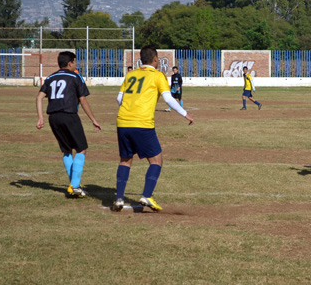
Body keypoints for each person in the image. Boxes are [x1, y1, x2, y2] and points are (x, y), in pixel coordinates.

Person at [113, 45, 194, 212]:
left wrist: (130, 108)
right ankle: (147, 195)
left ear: (141, 59)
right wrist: (184, 113)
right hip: (142, 123)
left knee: (125, 160)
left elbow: (119, 98)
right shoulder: (158, 76)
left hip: (122, 122)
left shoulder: (131, 74)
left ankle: (119, 198)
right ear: (155, 59)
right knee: (156, 160)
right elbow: (168, 98)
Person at [36, 51, 101, 197]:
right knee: (81, 148)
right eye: (75, 62)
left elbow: (39, 97)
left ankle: (74, 184)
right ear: (70, 63)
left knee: (66, 150)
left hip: (53, 117)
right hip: (69, 115)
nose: (75, 65)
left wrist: (41, 118)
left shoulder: (51, 77)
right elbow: (83, 100)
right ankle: (75, 186)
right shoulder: (75, 76)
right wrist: (93, 120)